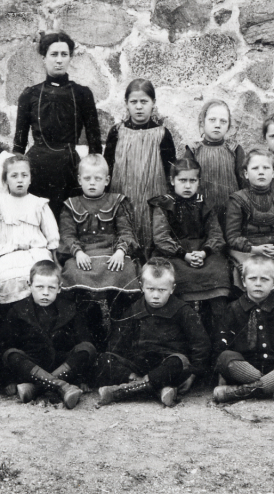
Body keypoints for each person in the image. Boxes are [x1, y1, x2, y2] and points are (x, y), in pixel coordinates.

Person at [94, 258, 210, 407]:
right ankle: (157, 390)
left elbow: (201, 344)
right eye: (150, 289)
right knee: (105, 359)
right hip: (139, 366)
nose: (155, 295)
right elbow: (117, 343)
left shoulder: (183, 311)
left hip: (167, 364)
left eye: (162, 290)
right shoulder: (134, 310)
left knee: (178, 362)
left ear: (172, 289)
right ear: (142, 286)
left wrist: (193, 374)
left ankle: (119, 392)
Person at [13, 31, 102, 221]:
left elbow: (95, 143)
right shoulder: (30, 95)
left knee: (67, 221)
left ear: (70, 58)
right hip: (37, 167)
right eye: (54, 54)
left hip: (68, 167)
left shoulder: (82, 94)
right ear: (44, 58)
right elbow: (19, 144)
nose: (59, 60)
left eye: (64, 54)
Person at [57, 154, 140, 351]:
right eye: (87, 178)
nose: (92, 183)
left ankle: (118, 341)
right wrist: (77, 252)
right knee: (72, 273)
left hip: (112, 254)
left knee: (125, 271)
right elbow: (67, 235)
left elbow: (126, 232)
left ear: (107, 180)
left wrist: (120, 251)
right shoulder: (71, 205)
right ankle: (88, 340)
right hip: (83, 254)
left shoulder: (117, 202)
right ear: (79, 180)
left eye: (98, 178)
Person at [147, 151, 229, 339]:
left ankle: (216, 333)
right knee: (174, 274)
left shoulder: (203, 203)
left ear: (198, 182)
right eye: (182, 180)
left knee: (218, 271)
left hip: (202, 252)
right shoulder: (164, 204)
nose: (187, 185)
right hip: (175, 254)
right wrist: (184, 254)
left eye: (192, 181)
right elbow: (161, 237)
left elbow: (215, 233)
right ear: (172, 180)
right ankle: (183, 331)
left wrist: (204, 252)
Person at [0, 261, 94, 409]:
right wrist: (9, 381)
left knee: (87, 348)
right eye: (39, 287)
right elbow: (7, 345)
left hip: (62, 365)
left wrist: (83, 379)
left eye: (51, 288)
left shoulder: (69, 309)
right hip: (32, 367)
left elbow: (83, 341)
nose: (45, 292)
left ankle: (36, 388)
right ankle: (62, 386)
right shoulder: (18, 310)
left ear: (59, 288)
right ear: (29, 285)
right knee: (11, 354)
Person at [213, 257, 274, 404]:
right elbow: (221, 342)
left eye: (264, 279)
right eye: (252, 278)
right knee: (225, 357)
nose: (258, 283)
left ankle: (239, 392)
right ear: (244, 281)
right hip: (243, 369)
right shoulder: (232, 309)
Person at [0, 156, 60, 311]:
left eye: (24, 175)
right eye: (14, 176)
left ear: (30, 179)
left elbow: (52, 237)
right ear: (5, 180)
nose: (20, 180)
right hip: (6, 255)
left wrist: (55, 261)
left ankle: (39, 314)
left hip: (36, 253)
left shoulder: (39, 204)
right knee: (10, 278)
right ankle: (11, 315)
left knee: (41, 277)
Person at [104, 79, 175, 251]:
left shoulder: (162, 134)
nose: (139, 107)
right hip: (123, 196)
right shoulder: (117, 132)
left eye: (144, 101)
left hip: (152, 197)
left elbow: (170, 172)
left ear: (153, 103)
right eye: (133, 102)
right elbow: (108, 168)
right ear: (126, 104)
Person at [225, 149, 274, 297]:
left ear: (273, 173)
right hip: (247, 251)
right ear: (246, 174)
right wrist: (254, 249)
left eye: (266, 168)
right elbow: (232, 236)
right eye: (255, 168)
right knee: (247, 272)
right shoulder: (237, 199)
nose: (261, 172)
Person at [191, 99, 245, 224]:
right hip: (203, 215)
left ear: (228, 125)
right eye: (212, 120)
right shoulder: (194, 150)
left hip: (232, 215)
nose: (217, 125)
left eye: (223, 121)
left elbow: (244, 183)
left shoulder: (235, 149)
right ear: (202, 122)